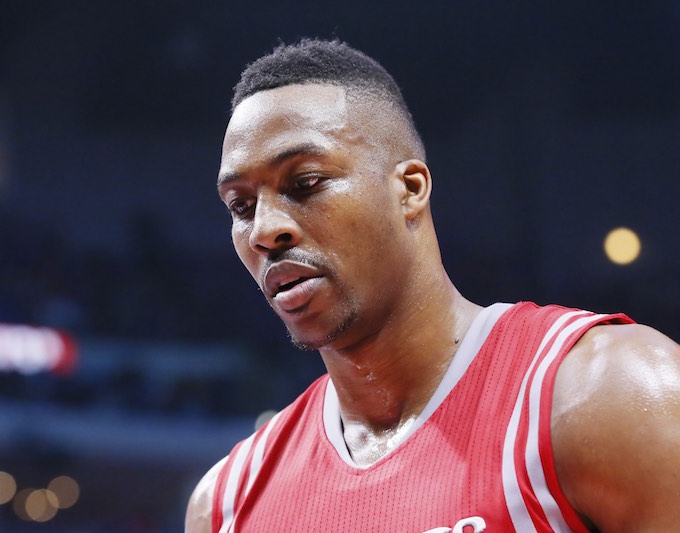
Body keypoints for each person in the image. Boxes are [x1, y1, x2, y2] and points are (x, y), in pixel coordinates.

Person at [185, 38, 680, 532]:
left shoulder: (610, 392)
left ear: (410, 189)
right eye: (241, 207)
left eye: (306, 183)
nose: (265, 230)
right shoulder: (227, 503)